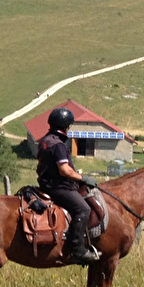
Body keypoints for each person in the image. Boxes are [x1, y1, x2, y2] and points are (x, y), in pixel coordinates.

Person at [36, 107, 101, 264]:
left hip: (46, 184)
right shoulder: (58, 145)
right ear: (65, 126)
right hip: (59, 187)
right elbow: (64, 170)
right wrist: (83, 178)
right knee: (83, 209)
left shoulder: (45, 140)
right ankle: (77, 250)